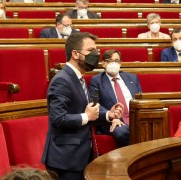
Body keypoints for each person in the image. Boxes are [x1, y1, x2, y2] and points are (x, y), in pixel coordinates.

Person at [42, 32, 124, 180]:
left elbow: (86, 111)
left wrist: (108, 115)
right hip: (66, 159)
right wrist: (86, 116)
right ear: (75, 53)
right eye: (91, 51)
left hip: (79, 156)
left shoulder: (78, 78)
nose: (96, 55)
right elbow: (58, 118)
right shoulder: (62, 80)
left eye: (96, 51)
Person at [89, 49, 142, 147]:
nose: (114, 63)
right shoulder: (97, 81)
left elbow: (141, 100)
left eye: (117, 61)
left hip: (135, 119)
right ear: (104, 63)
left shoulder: (132, 78)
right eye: (110, 61)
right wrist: (111, 116)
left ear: (120, 63)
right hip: (113, 121)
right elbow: (95, 104)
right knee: (122, 132)